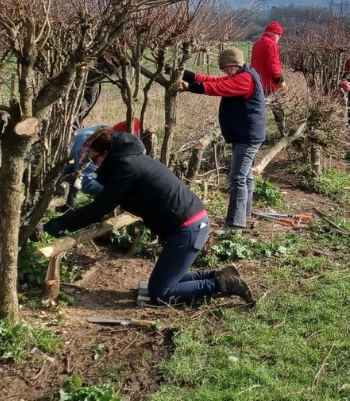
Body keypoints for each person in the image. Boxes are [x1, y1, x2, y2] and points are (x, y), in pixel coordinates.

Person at [44, 127, 254, 306]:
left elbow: (100, 207)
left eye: (94, 156)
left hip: (187, 228)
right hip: (188, 223)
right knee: (166, 282)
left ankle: (222, 284)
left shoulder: (126, 167)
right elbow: (108, 196)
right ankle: (218, 275)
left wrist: (58, 224)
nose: (94, 162)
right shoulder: (130, 160)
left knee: (161, 293)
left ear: (107, 153)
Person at [174, 47, 265, 235]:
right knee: (246, 176)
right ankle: (244, 215)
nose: (224, 72)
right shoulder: (242, 74)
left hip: (247, 136)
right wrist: (185, 74)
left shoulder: (245, 79)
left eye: (226, 67)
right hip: (246, 134)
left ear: (235, 64)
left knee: (238, 178)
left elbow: (218, 87)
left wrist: (190, 87)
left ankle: (234, 226)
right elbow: (214, 80)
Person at [61, 119, 141, 210]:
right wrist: (115, 193)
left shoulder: (106, 133)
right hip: (55, 165)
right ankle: (66, 211)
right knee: (71, 182)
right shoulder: (91, 147)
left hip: (71, 160)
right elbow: (86, 184)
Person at [251, 21, 286, 135]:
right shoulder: (271, 44)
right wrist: (281, 81)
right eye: (279, 36)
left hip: (257, 82)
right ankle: (283, 134)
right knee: (278, 110)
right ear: (275, 34)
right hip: (269, 84)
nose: (279, 39)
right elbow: (273, 66)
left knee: (259, 110)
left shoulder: (257, 43)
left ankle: (255, 133)